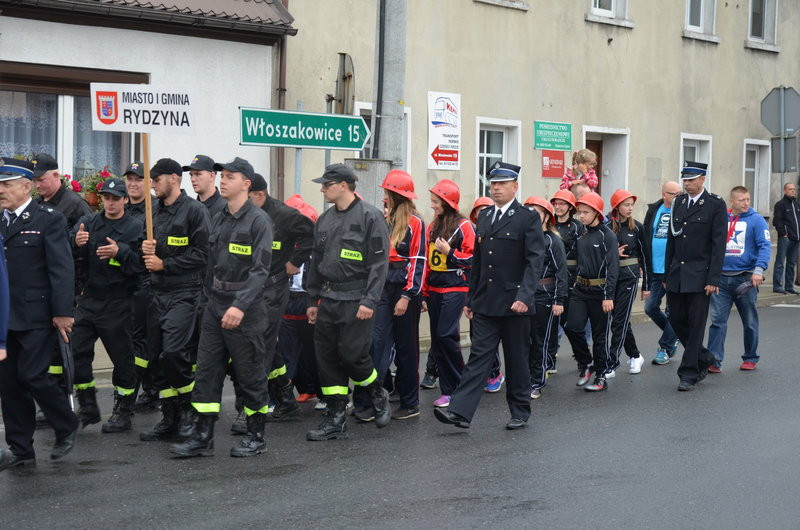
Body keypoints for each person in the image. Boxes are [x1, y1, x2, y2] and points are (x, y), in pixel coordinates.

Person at [170, 157, 273, 458]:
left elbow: (260, 270)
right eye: (222, 176)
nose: (223, 180)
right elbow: (210, 263)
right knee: (207, 372)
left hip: (246, 310)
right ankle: (203, 437)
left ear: (246, 184)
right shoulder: (218, 217)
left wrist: (240, 306)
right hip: (216, 305)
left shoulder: (258, 221)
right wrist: (208, 300)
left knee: (250, 373)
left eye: (230, 176)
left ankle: (256, 435)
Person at [434, 161, 544, 430]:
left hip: (515, 303)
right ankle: (459, 412)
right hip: (486, 302)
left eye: (502, 184)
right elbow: (479, 262)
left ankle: (520, 412)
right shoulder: (484, 217)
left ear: (515, 186)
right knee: (478, 358)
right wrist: (471, 298)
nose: (496, 189)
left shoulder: (527, 217)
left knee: (516, 360)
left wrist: (525, 296)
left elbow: (534, 261)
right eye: (493, 184)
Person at [0, 158, 78, 469]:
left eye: (6, 184)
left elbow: (61, 268)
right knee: (8, 384)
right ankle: (21, 449)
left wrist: (62, 312)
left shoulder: (48, 219)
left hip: (37, 314)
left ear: (26, 186)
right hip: (6, 317)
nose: (0, 190)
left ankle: (65, 424)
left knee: (33, 375)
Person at [305, 163, 390, 441]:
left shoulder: (370, 217)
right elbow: (316, 262)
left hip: (357, 299)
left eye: (326, 185)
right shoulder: (325, 219)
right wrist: (312, 299)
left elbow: (379, 265)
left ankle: (377, 391)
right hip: (328, 298)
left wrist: (370, 301)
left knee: (353, 356)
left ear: (343, 185)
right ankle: (336, 418)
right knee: (327, 359)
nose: (322, 189)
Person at [139, 158, 211, 441]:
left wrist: (165, 265)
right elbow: (144, 253)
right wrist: (144, 247)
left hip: (185, 293)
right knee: (155, 358)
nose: (152, 186)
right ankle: (170, 418)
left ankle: (190, 409)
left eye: (156, 181)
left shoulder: (195, 212)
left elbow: (204, 254)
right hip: (156, 292)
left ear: (173, 179)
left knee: (174, 353)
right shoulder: (152, 212)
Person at [70, 178, 144, 433]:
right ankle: (88, 406)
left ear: (125, 200)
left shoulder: (136, 227)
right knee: (76, 352)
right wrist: (76, 243)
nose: (110, 202)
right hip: (89, 299)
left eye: (115, 198)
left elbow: (142, 265)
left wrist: (120, 253)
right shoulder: (89, 222)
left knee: (122, 360)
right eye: (106, 197)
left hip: (118, 301)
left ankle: (123, 411)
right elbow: (70, 253)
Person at [353, 170, 425, 421]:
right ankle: (368, 400)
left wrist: (407, 295)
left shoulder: (416, 223)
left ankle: (410, 402)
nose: (384, 196)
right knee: (375, 342)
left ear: (395, 195)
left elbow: (418, 261)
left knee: (406, 349)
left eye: (387, 193)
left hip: (404, 290)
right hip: (382, 287)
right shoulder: (383, 220)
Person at [245, 173, 313, 424]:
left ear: (260, 195)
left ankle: (251, 410)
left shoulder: (284, 215)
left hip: (274, 288)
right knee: (263, 344)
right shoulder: (244, 215)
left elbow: (311, 235)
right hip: (250, 289)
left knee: (259, 344)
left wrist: (294, 262)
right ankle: (285, 398)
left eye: (248, 197)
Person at [665, 161, 727, 391]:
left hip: (700, 276)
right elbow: (672, 239)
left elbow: (718, 245)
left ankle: (689, 373)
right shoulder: (678, 202)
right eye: (685, 180)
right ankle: (704, 356)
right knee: (676, 319)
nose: (687, 184)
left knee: (696, 324)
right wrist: (666, 272)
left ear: (703, 179)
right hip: (676, 273)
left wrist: (713, 279)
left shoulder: (714, 205)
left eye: (691, 180)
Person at [707, 186, 770, 372]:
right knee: (717, 322)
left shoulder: (757, 220)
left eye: (748, 199)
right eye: (742, 200)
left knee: (749, 321)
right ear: (732, 201)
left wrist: (758, 271)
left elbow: (765, 246)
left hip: (745, 280)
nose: (746, 203)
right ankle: (714, 360)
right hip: (720, 279)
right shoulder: (720, 218)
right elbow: (709, 245)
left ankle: (750, 357)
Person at [423, 179, 474, 409]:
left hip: (455, 287)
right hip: (434, 288)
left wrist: (450, 252)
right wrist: (423, 292)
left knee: (446, 335)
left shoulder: (464, 226)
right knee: (438, 340)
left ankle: (460, 385)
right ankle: (448, 390)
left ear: (447, 201)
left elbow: (473, 259)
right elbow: (427, 262)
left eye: (435, 201)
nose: (432, 205)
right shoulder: (432, 226)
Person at [564, 192, 618, 392]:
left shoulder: (608, 235)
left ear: (597, 212)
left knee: (600, 336)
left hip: (600, 292)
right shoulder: (580, 232)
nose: (582, 216)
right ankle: (586, 362)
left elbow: (613, 268)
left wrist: (608, 296)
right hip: (580, 289)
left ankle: (601, 376)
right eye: (580, 212)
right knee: (572, 327)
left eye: (586, 212)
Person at [123, 161, 160, 410]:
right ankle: (149, 387)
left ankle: (146, 389)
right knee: (133, 340)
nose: (134, 184)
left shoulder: (154, 209)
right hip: (124, 284)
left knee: (143, 340)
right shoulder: (122, 208)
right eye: (130, 179)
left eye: (139, 179)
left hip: (147, 284)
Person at [523, 196, 567, 399]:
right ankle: (524, 378)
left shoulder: (553, 240)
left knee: (540, 340)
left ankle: (537, 381)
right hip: (524, 295)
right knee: (524, 340)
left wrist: (558, 300)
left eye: (537, 212)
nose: (532, 215)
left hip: (545, 295)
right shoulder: (523, 237)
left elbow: (561, 273)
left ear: (546, 216)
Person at [607, 189, 649, 375]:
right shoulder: (606, 227)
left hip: (629, 277)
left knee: (619, 321)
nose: (630, 208)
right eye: (626, 204)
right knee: (620, 321)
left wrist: (646, 284)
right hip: (610, 278)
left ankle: (611, 362)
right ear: (616, 207)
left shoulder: (637, 228)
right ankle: (635, 355)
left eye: (632, 205)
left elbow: (645, 257)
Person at [642, 181, 682, 365]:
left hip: (673, 270)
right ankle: (675, 333)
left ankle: (665, 347)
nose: (679, 197)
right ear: (664, 194)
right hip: (654, 269)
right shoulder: (654, 210)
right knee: (650, 307)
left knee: (674, 310)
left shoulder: (683, 212)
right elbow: (646, 237)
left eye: (680, 193)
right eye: (674, 194)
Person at [551, 189, 584, 374]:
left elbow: (583, 254)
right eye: (555, 203)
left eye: (562, 203)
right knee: (552, 323)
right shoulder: (550, 224)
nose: (558, 206)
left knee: (571, 324)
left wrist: (577, 279)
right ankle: (550, 359)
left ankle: (582, 358)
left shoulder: (578, 227)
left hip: (572, 278)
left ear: (570, 207)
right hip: (553, 277)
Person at [32, 153, 92, 227]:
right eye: (34, 181)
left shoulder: (75, 204)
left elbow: (91, 233)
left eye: (41, 180)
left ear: (56, 176)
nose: (37, 186)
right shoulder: (35, 203)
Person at [771, 182, 800, 294]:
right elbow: (776, 221)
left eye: (794, 189)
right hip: (785, 238)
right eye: (790, 189)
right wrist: (783, 233)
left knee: (791, 263)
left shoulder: (797, 205)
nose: (793, 191)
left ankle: (789, 286)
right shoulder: (780, 204)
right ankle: (777, 286)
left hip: (796, 239)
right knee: (780, 262)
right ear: (784, 191)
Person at [185, 154, 226, 219]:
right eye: (191, 175)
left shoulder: (225, 208)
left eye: (198, 174)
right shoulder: (189, 208)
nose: (192, 179)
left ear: (211, 176)